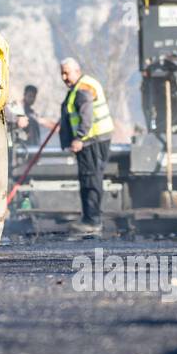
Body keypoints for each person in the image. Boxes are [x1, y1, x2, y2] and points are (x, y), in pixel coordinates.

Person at [50, 58, 114, 233]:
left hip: (92, 140)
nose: (64, 77)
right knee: (88, 178)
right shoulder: (79, 86)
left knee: (91, 179)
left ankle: (92, 221)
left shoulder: (84, 88)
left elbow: (86, 117)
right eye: (62, 73)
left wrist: (79, 138)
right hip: (92, 140)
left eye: (67, 73)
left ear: (77, 71)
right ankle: (89, 218)